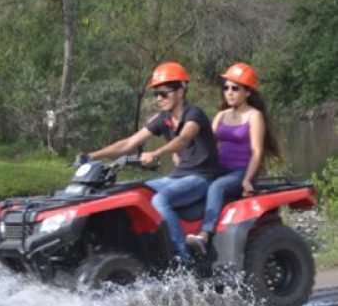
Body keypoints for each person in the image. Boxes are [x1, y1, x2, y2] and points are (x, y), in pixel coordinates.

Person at [83, 61, 219, 266]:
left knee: (160, 200)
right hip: (177, 176)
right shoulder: (162, 119)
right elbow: (129, 143)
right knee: (134, 193)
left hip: (201, 178)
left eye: (164, 93)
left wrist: (156, 153)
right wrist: (92, 156)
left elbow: (183, 139)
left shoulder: (194, 114)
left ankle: (183, 261)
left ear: (180, 91)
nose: (159, 99)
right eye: (156, 94)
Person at [185, 62, 280, 254]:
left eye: (235, 88)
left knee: (217, 187)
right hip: (219, 168)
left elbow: (257, 151)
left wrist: (246, 179)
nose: (229, 92)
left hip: (241, 170)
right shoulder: (221, 116)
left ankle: (205, 234)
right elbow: (208, 147)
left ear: (247, 92)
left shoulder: (254, 116)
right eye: (226, 88)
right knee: (193, 183)